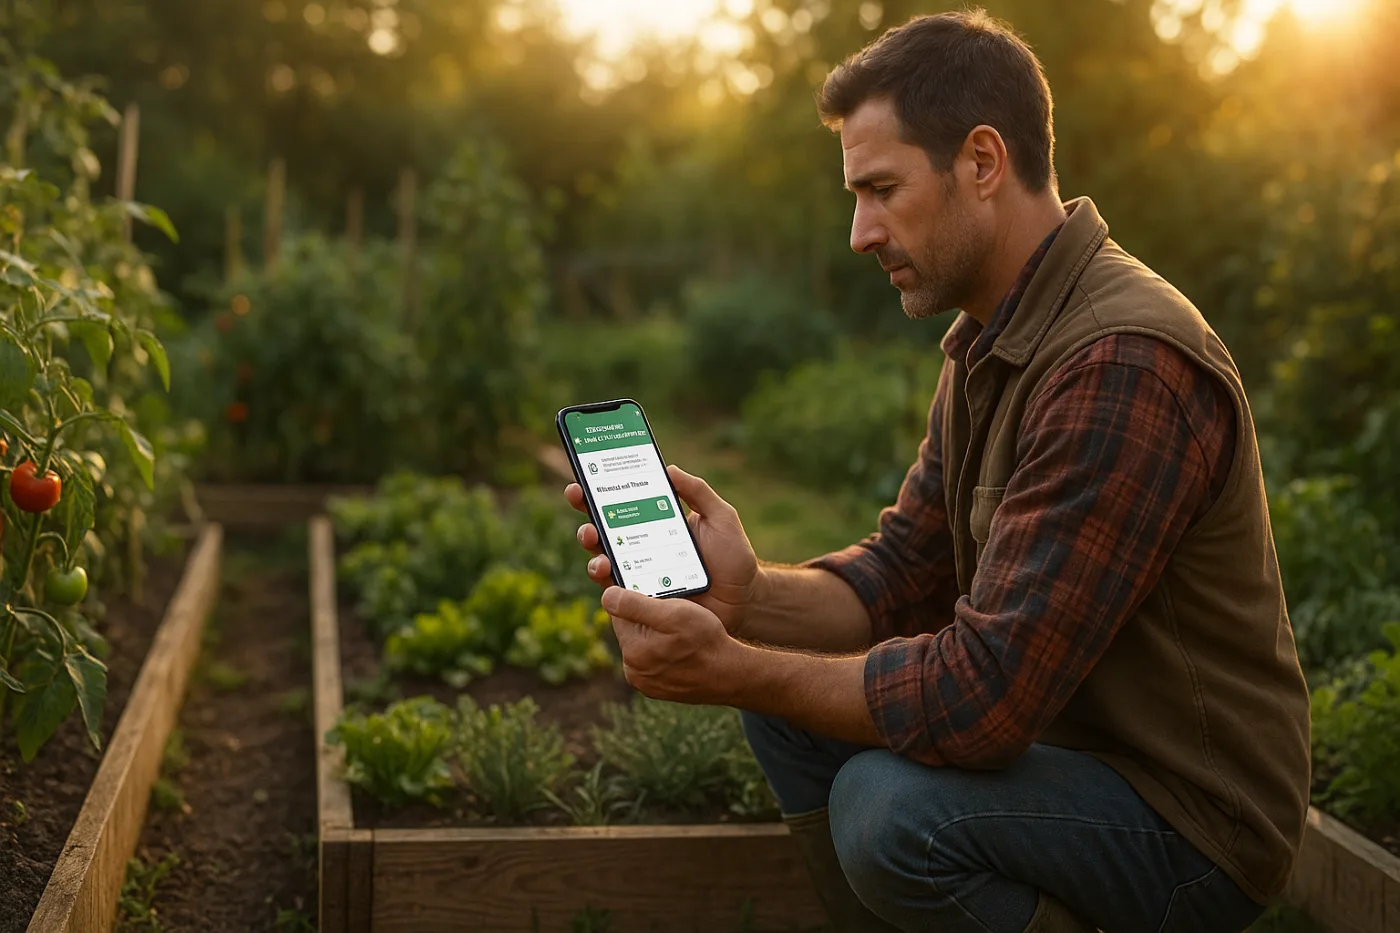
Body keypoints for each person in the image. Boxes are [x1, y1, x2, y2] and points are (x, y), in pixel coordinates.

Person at [564, 9, 1310, 933]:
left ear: (983, 162)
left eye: (881, 189)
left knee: (890, 811)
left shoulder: (1121, 360)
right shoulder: (989, 342)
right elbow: (900, 574)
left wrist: (735, 668)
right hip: (1070, 757)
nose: (859, 232)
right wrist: (746, 598)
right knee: (792, 706)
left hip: (1189, 821)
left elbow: (985, 697)